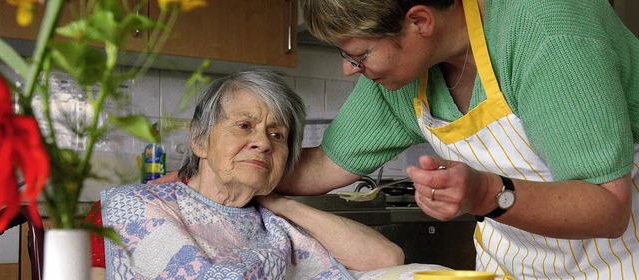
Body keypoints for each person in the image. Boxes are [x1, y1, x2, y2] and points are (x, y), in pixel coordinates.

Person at [269, 0, 639, 279]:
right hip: (513, 266)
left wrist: (483, 194)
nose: (349, 69)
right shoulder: (404, 74)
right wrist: (224, 163)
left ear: (419, 21)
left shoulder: (545, 29)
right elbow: (320, 168)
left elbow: (609, 208)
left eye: (359, 55)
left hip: (620, 259)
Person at [92, 69, 410, 279]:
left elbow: (386, 257)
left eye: (277, 135)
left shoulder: (277, 223)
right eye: (244, 126)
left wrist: (281, 203)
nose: (261, 142)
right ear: (200, 140)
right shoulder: (129, 208)